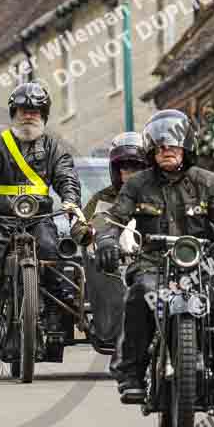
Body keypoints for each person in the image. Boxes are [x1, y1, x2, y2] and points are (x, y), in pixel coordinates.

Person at [96, 110, 214, 403]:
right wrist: (105, 241)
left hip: (202, 262)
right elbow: (113, 219)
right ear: (152, 150)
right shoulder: (137, 184)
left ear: (185, 146)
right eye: (161, 146)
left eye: (173, 145)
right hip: (153, 263)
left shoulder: (207, 182)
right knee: (141, 295)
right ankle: (131, 374)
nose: (167, 151)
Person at [0, 82, 90, 366]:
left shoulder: (54, 147)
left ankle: (56, 326)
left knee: (54, 257)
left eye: (34, 111)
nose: (28, 116)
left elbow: (67, 177)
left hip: (39, 218)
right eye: (23, 110)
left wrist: (70, 202)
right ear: (13, 113)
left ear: (43, 114)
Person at [84, 133, 148, 361]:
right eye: (124, 167)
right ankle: (111, 328)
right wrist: (90, 232)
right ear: (116, 170)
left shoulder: (158, 195)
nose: (128, 172)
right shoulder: (102, 199)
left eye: (136, 167)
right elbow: (81, 226)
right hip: (110, 262)